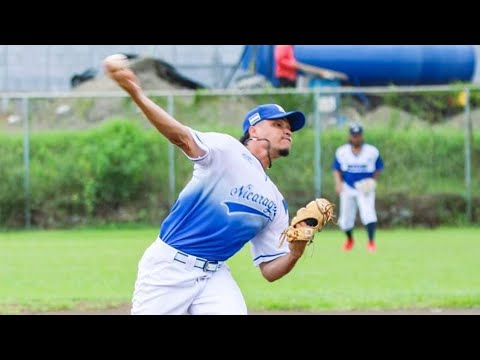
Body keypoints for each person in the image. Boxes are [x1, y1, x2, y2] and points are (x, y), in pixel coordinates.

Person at [106, 64, 311, 315]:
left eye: (289, 127)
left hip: (214, 274)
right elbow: (180, 137)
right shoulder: (226, 150)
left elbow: (269, 270)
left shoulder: (276, 202)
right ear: (254, 130)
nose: (287, 130)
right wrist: (137, 94)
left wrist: (295, 253)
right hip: (169, 267)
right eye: (278, 124)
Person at [332, 123, 384, 252]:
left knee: (368, 214)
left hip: (365, 188)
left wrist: (373, 181)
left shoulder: (371, 151)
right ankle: (350, 240)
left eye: (358, 136)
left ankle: (371, 242)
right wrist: (338, 184)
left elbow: (379, 168)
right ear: (350, 136)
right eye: (354, 136)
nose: (356, 138)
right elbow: (336, 169)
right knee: (345, 220)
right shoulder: (342, 151)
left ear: (362, 136)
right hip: (347, 187)